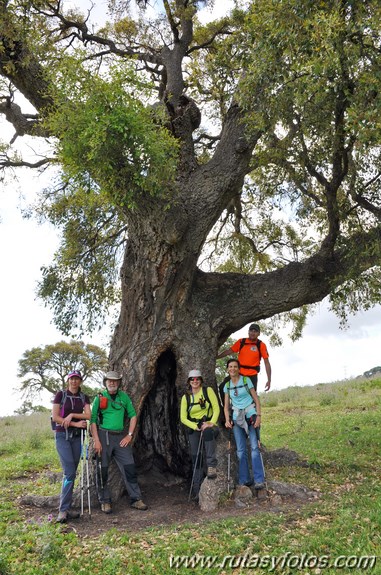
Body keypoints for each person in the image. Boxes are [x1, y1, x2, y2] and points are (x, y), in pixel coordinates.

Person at [90, 370, 148, 514]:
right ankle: (105, 501)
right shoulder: (100, 397)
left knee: (129, 467)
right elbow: (92, 420)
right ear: (105, 382)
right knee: (102, 469)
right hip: (104, 436)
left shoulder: (124, 397)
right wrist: (96, 440)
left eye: (115, 381)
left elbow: (133, 416)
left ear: (118, 383)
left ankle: (136, 499)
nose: (112, 383)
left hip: (121, 437)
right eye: (109, 380)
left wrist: (129, 435)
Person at [51, 369, 91, 523]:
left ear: (80, 381)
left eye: (77, 379)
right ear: (68, 380)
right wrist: (74, 423)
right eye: (71, 379)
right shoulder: (60, 395)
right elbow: (55, 417)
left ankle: (66, 508)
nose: (74, 381)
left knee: (72, 472)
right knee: (69, 472)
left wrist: (72, 415)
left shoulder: (84, 397)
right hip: (62, 436)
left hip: (76, 438)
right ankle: (62, 510)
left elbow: (88, 415)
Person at [223, 358, 266, 490]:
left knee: (254, 448)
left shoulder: (246, 380)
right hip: (237, 419)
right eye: (230, 367)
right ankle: (245, 479)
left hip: (251, 415)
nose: (233, 369)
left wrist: (258, 416)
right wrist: (226, 419)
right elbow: (226, 406)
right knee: (240, 451)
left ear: (239, 368)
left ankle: (259, 480)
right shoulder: (227, 385)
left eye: (235, 366)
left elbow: (256, 399)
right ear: (227, 369)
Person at [180, 369, 220, 500]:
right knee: (196, 457)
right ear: (189, 382)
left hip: (210, 426)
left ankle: (211, 466)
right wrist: (195, 426)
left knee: (208, 432)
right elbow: (183, 417)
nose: (195, 381)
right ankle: (197, 490)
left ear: (201, 380)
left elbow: (216, 408)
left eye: (197, 379)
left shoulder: (207, 391)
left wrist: (210, 423)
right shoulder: (186, 397)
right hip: (195, 428)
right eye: (192, 379)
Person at [217, 323, 271, 392]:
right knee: (222, 387)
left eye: (255, 331)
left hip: (252, 375)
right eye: (251, 330)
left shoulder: (261, 345)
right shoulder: (241, 342)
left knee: (251, 398)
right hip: (238, 373)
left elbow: (267, 363)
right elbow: (229, 351)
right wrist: (216, 357)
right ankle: (227, 403)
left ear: (259, 334)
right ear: (248, 332)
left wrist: (269, 380)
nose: (253, 333)